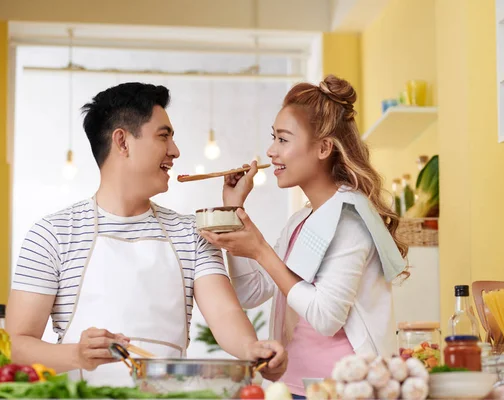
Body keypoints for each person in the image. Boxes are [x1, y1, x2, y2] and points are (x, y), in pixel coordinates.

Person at [6, 82, 287, 387]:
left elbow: (225, 312)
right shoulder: (52, 235)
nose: (175, 151)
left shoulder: (189, 234)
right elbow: (18, 345)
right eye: (163, 136)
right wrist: (77, 355)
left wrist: (251, 348)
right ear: (122, 142)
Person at [200, 74, 409, 399]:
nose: (271, 151)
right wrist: (234, 211)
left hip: (341, 390)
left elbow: (326, 318)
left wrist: (261, 252)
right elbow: (251, 291)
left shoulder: (350, 220)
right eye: (274, 138)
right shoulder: (302, 220)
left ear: (324, 147)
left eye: (283, 139)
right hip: (294, 387)